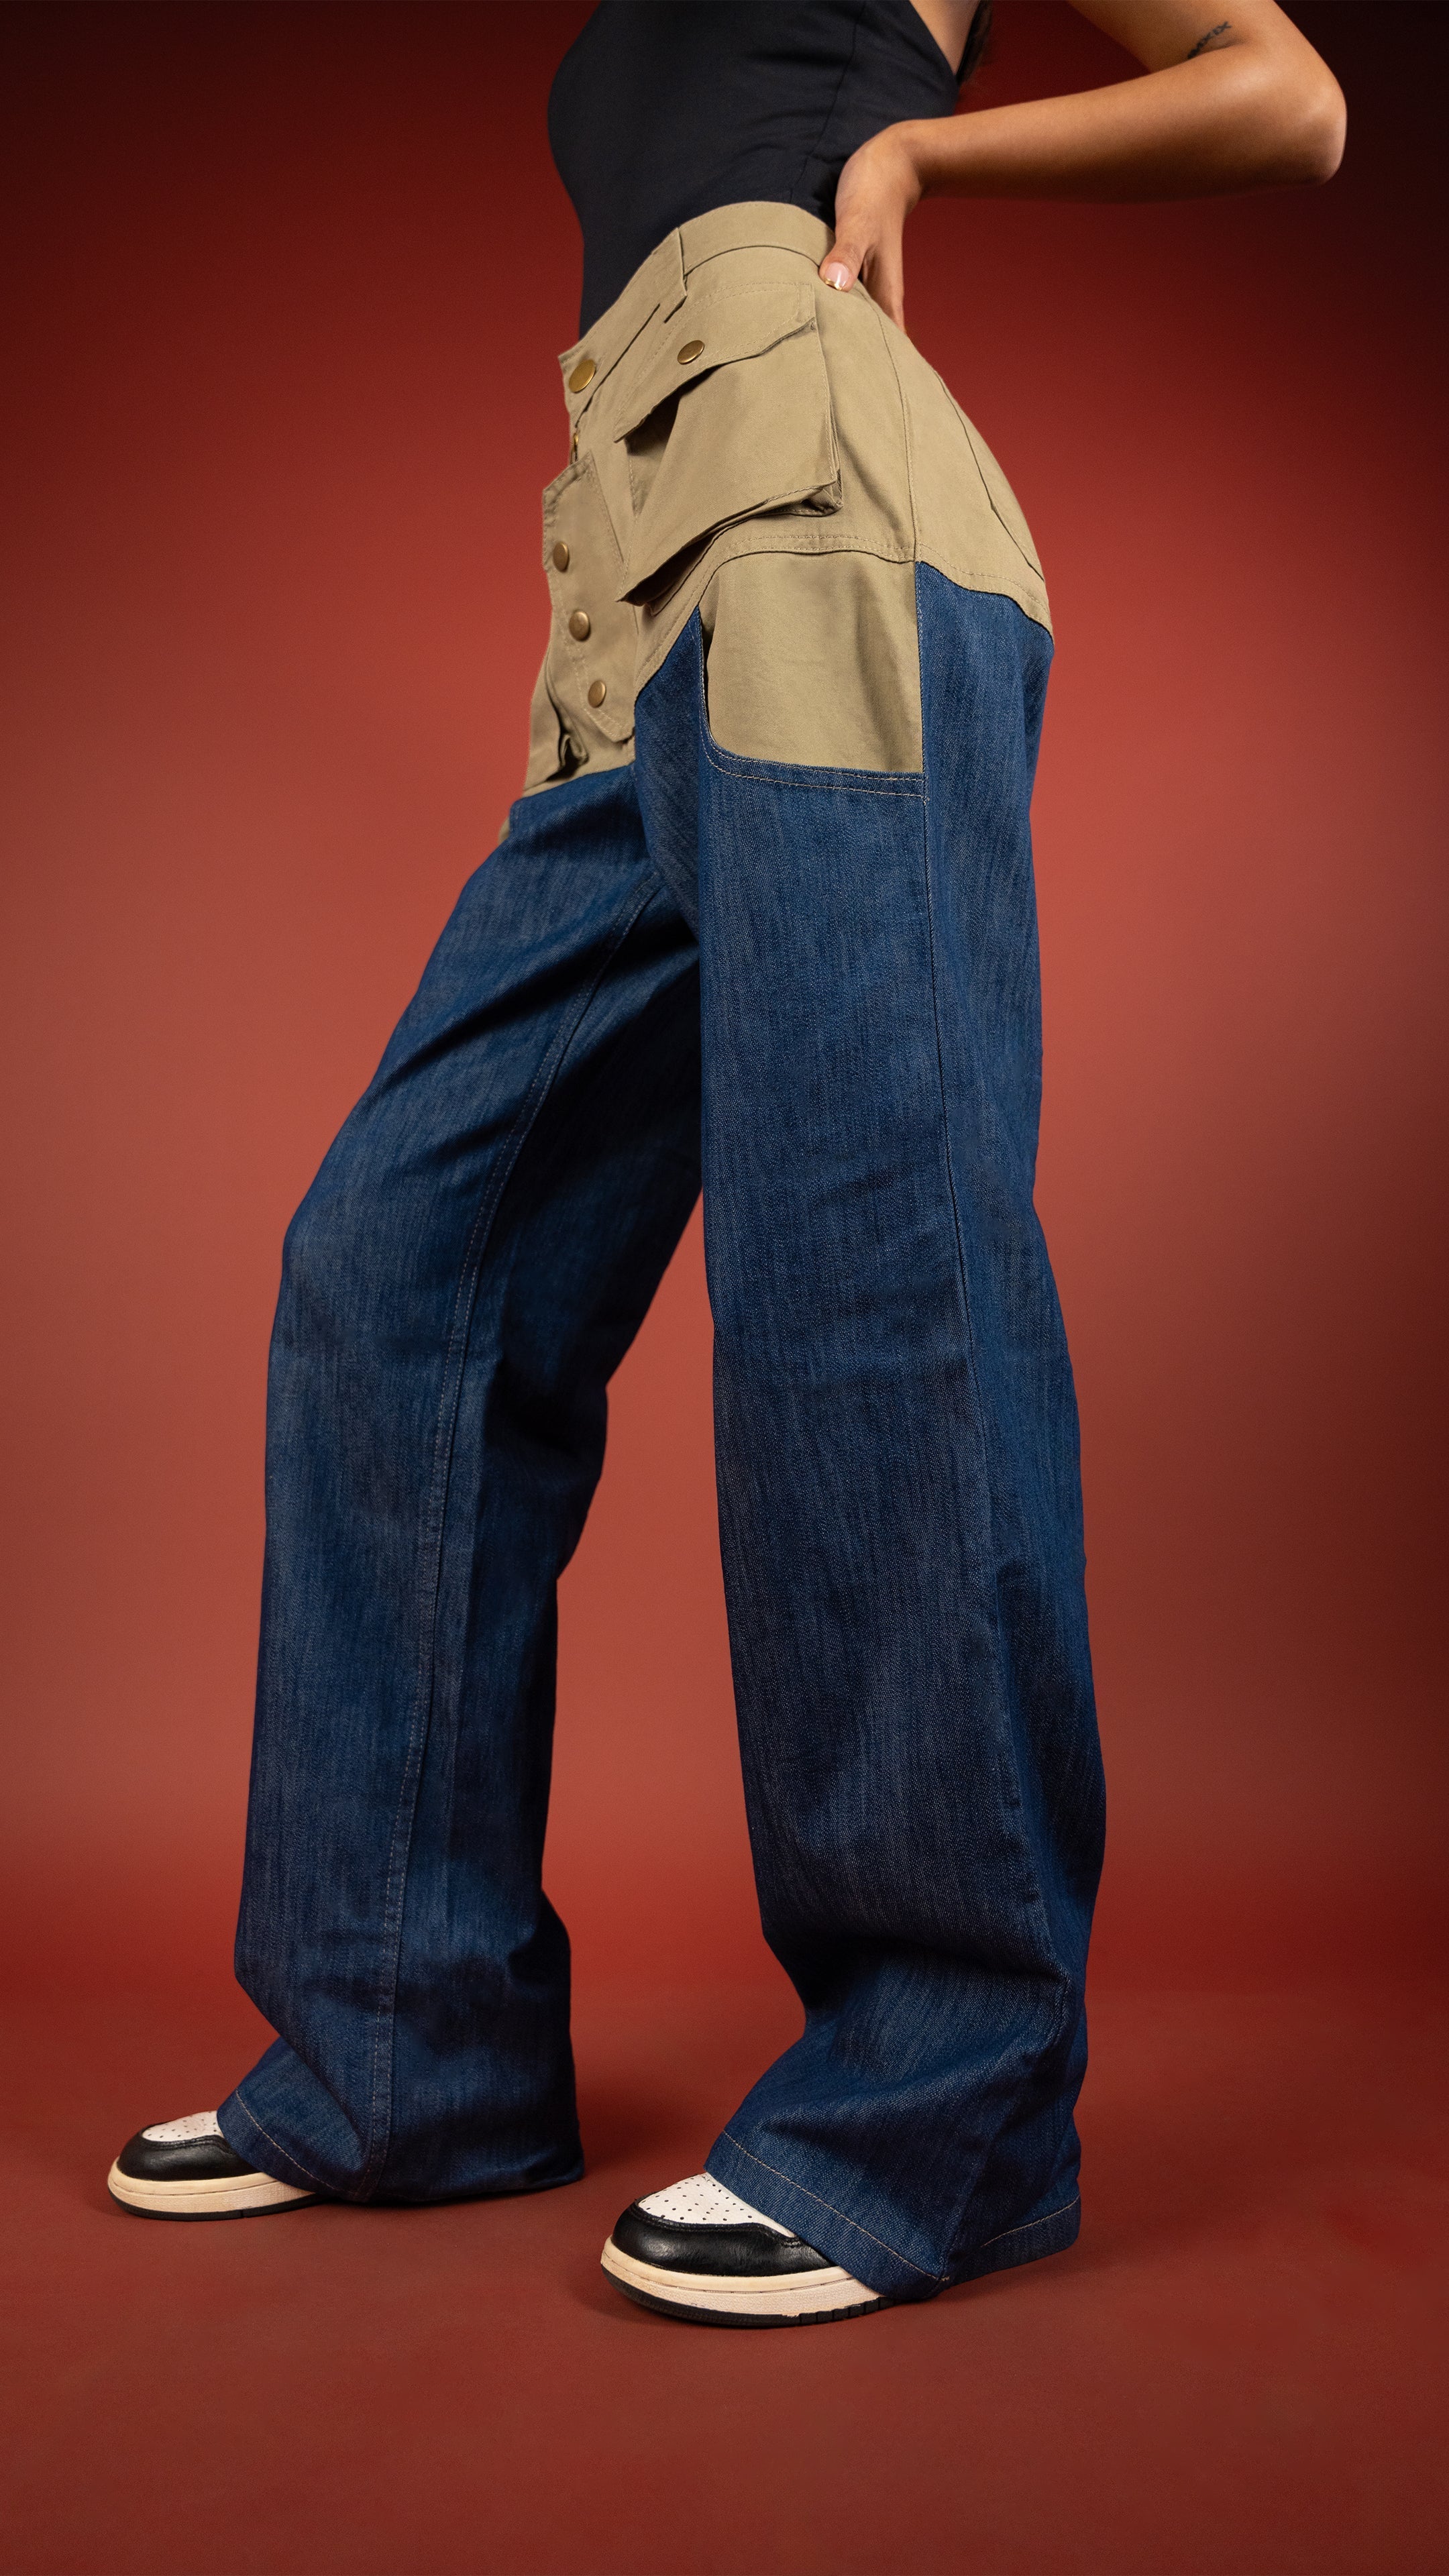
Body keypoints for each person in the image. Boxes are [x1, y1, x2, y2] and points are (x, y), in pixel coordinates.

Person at [107, 0, 1343, 2327]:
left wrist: (928, 164)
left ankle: (942, 2104)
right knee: (400, 1274)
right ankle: (405, 2049)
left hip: (816, 513)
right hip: (629, 581)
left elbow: (1291, 93)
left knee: (868, 1262)